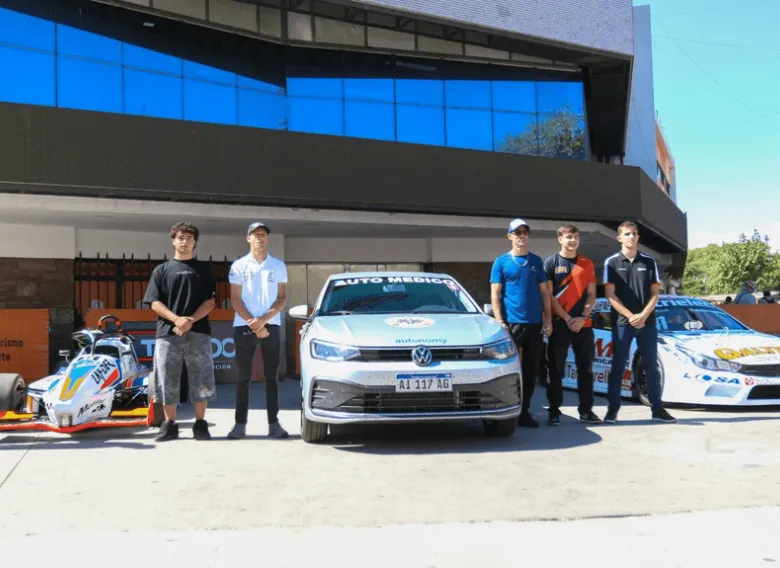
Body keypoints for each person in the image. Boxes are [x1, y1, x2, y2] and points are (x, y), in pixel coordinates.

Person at [143, 222, 217, 441]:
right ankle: (169, 424)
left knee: (201, 377)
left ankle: (200, 424)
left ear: (195, 243)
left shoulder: (204, 270)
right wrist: (176, 319)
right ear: (173, 240)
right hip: (167, 332)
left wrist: (190, 320)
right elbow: (154, 302)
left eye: (189, 238)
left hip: (199, 331)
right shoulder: (161, 270)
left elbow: (210, 301)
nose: (185, 241)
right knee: (166, 378)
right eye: (181, 237)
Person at [602, 221, 675, 423]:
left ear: (638, 237)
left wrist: (642, 315)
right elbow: (610, 295)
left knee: (651, 366)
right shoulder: (611, 263)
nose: (631, 237)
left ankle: (657, 409)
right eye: (627, 234)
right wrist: (630, 316)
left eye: (634, 234)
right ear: (619, 238)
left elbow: (655, 294)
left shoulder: (650, 262)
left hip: (647, 322)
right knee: (618, 366)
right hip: (622, 323)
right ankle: (612, 410)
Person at [227, 222, 289, 439]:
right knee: (243, 378)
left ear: (267, 239)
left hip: (270, 324)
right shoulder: (238, 266)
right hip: (244, 324)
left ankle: (274, 424)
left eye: (263, 235)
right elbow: (235, 299)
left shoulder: (278, 265)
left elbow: (282, 298)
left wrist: (263, 321)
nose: (260, 238)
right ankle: (239, 425)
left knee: (272, 378)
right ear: (248, 239)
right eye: (256, 235)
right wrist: (253, 322)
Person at [490, 218, 552, 428]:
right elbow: (495, 294)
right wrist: (499, 320)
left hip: (534, 324)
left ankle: (524, 412)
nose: (522, 237)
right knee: (509, 369)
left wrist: (548, 319)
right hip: (511, 324)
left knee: (530, 369)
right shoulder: (501, 262)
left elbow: (545, 292)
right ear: (510, 236)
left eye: (525, 233)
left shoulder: (536, 261)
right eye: (517, 233)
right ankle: (507, 411)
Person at [542, 223, 601, 426]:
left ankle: (586, 411)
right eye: (568, 237)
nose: (573, 240)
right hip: (560, 325)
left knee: (585, 370)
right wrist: (567, 319)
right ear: (560, 239)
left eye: (575, 237)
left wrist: (583, 317)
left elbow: (592, 294)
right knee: (555, 370)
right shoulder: (550, 262)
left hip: (583, 325)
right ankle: (554, 411)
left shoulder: (587, 263)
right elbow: (548, 295)